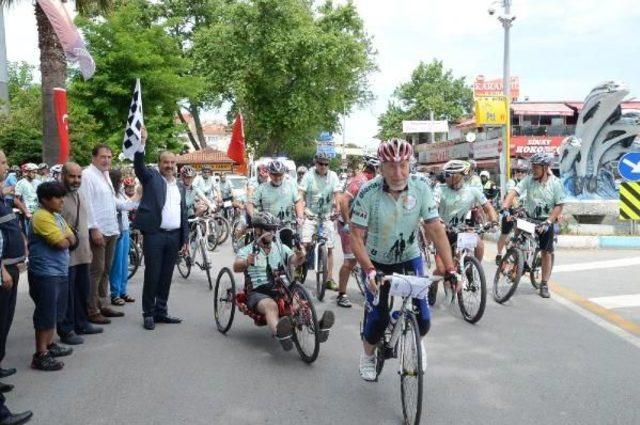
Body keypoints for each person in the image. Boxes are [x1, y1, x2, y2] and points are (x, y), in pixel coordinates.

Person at [349, 139, 458, 381]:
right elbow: (356, 237)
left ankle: (415, 342)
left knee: (425, 319)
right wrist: (368, 270)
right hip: (376, 262)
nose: (398, 173)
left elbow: (435, 229)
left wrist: (450, 269)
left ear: (410, 165)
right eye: (391, 166)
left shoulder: (421, 186)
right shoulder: (368, 192)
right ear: (381, 168)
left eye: (403, 166)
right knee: (378, 318)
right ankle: (367, 355)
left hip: (409, 256)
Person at [233, 212, 334, 350]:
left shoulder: (280, 248)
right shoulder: (248, 250)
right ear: (258, 231)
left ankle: (317, 326)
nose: (271, 233)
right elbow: (236, 267)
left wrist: (301, 255)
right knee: (271, 307)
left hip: (280, 288)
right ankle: (280, 332)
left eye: (273, 230)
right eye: (268, 229)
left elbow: (295, 261)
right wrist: (246, 262)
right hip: (259, 292)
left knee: (298, 304)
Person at [134, 128, 188, 330]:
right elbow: (139, 166)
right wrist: (142, 144)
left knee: (166, 276)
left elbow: (183, 212)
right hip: (155, 235)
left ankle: (161, 311)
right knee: (153, 274)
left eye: (173, 163)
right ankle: (148, 313)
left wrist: (185, 239)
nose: (170, 166)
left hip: (174, 236)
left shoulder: (181, 185)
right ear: (159, 164)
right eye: (166, 162)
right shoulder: (151, 178)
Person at [501, 152, 565, 298]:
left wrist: (549, 221)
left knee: (546, 252)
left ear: (545, 168)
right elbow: (514, 192)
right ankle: (516, 260)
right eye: (533, 166)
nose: (533, 169)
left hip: (545, 221)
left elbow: (559, 205)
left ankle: (543, 283)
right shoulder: (529, 180)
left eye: (536, 167)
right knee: (516, 234)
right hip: (530, 218)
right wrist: (505, 207)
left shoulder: (556, 183)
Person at [28, 181, 76, 371]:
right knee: (45, 313)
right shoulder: (41, 217)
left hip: (59, 270)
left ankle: (49, 345)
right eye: (58, 197)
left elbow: (72, 239)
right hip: (45, 273)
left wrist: (67, 238)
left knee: (56, 311)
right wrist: (67, 238)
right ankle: (40, 354)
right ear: (45, 200)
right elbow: (62, 243)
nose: (62, 201)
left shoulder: (56, 216)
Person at [57, 162, 104, 345]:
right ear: (63, 175)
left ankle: (82, 323)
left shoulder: (79, 194)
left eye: (78, 177)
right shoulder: (57, 197)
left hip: (83, 254)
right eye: (72, 176)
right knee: (67, 296)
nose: (76, 180)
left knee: (81, 292)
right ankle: (66, 330)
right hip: (66, 257)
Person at [80, 144, 123, 325]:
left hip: (111, 228)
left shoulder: (105, 175)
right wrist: (93, 228)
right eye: (103, 157)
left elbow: (112, 202)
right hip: (98, 231)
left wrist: (133, 202)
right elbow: (87, 204)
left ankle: (103, 304)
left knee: (106, 269)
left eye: (109, 157)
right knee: (96, 271)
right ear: (94, 157)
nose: (107, 160)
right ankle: (92, 310)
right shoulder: (87, 175)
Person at [336, 154, 379, 308]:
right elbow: (343, 201)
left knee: (367, 256)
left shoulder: (375, 181)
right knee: (350, 261)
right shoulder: (360, 181)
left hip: (363, 225)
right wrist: (347, 222)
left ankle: (367, 281)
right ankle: (341, 294)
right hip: (349, 224)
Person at [0, 150, 27, 391]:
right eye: (2, 162)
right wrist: (2, 269)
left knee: (6, 320)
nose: (6, 166)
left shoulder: (3, 196)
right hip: (4, 270)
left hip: (11, 267)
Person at [437, 160, 498, 261]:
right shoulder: (440, 189)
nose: (445, 177)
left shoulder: (472, 190)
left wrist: (494, 222)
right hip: (443, 230)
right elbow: (433, 207)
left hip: (461, 229)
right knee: (442, 270)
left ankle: (473, 271)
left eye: (447, 174)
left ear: (457, 176)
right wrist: (438, 220)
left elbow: (488, 207)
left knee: (479, 245)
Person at [298, 153, 341, 290]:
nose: (323, 166)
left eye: (326, 164)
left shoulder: (333, 176)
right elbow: (300, 194)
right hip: (311, 215)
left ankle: (328, 279)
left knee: (329, 248)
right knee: (305, 243)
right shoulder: (308, 175)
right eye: (320, 163)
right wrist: (301, 211)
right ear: (315, 163)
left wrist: (337, 208)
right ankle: (299, 268)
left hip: (327, 216)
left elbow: (337, 195)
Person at [108, 169, 140, 307]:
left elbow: (132, 205)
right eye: (118, 179)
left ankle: (122, 291)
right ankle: (115, 294)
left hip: (125, 229)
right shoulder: (110, 193)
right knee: (117, 264)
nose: (120, 182)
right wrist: (138, 193)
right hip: (117, 230)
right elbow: (124, 206)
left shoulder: (120, 192)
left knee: (124, 263)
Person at [247, 160, 303, 228]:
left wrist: (300, 217)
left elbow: (298, 201)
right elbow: (250, 203)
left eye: (280, 175)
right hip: (268, 226)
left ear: (284, 174)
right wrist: (254, 217)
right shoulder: (262, 188)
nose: (277, 178)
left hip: (287, 225)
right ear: (269, 174)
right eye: (274, 175)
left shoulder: (290, 186)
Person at [496, 164, 528, 264]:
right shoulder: (511, 182)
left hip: (522, 211)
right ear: (514, 173)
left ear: (526, 174)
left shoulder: (527, 183)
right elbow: (512, 196)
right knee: (504, 233)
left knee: (522, 234)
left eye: (522, 172)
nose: (520, 173)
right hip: (509, 210)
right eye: (518, 171)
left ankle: (518, 255)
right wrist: (515, 209)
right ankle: (499, 254)